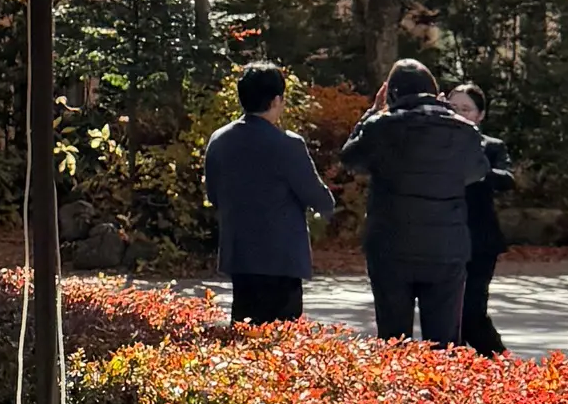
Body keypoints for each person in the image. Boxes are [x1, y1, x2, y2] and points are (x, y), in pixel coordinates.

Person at [335, 58, 490, 345]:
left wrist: (370, 113)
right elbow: (477, 171)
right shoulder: (464, 131)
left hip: (390, 247)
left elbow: (350, 159)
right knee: (443, 344)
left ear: (392, 94)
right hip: (446, 248)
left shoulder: (380, 127)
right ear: (434, 92)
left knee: (394, 342)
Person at [199, 60, 335, 326]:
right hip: (281, 258)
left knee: (245, 336)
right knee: (282, 345)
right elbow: (318, 197)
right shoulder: (288, 145)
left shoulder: (220, 140)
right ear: (276, 100)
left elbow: (213, 194)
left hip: (240, 253)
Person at [445, 76, 513, 356]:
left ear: (480, 114)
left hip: (479, 239)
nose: (459, 114)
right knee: (446, 311)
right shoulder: (434, 143)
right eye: (452, 107)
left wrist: (477, 163)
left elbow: (506, 178)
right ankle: (455, 367)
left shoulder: (490, 146)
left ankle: (501, 362)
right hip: (441, 236)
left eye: (466, 109)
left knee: (472, 309)